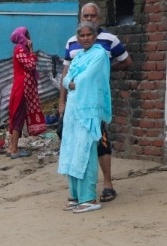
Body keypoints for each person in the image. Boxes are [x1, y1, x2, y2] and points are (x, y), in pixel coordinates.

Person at [60, 3, 131, 203]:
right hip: (75, 105)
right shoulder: (73, 44)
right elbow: (66, 74)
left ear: (99, 18)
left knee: (99, 144)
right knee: (75, 146)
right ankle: (78, 194)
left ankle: (107, 185)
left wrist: (104, 71)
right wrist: (62, 100)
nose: (89, 19)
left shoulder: (107, 42)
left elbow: (126, 61)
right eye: (86, 15)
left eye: (93, 16)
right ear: (80, 18)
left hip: (93, 103)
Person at [57, 22, 111, 214]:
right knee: (72, 150)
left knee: (86, 152)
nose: (86, 38)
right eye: (82, 35)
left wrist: (72, 82)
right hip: (73, 111)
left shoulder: (100, 55)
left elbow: (85, 78)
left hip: (88, 110)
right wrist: (71, 82)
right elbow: (65, 78)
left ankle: (89, 198)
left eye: (89, 35)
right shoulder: (78, 57)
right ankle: (75, 197)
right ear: (77, 38)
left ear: (95, 36)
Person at [7, 27, 46, 158]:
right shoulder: (20, 49)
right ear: (21, 36)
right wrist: (31, 50)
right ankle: (14, 149)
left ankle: (12, 147)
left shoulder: (20, 49)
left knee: (17, 116)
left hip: (21, 87)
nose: (29, 36)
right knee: (18, 117)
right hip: (22, 88)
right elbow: (30, 65)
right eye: (26, 34)